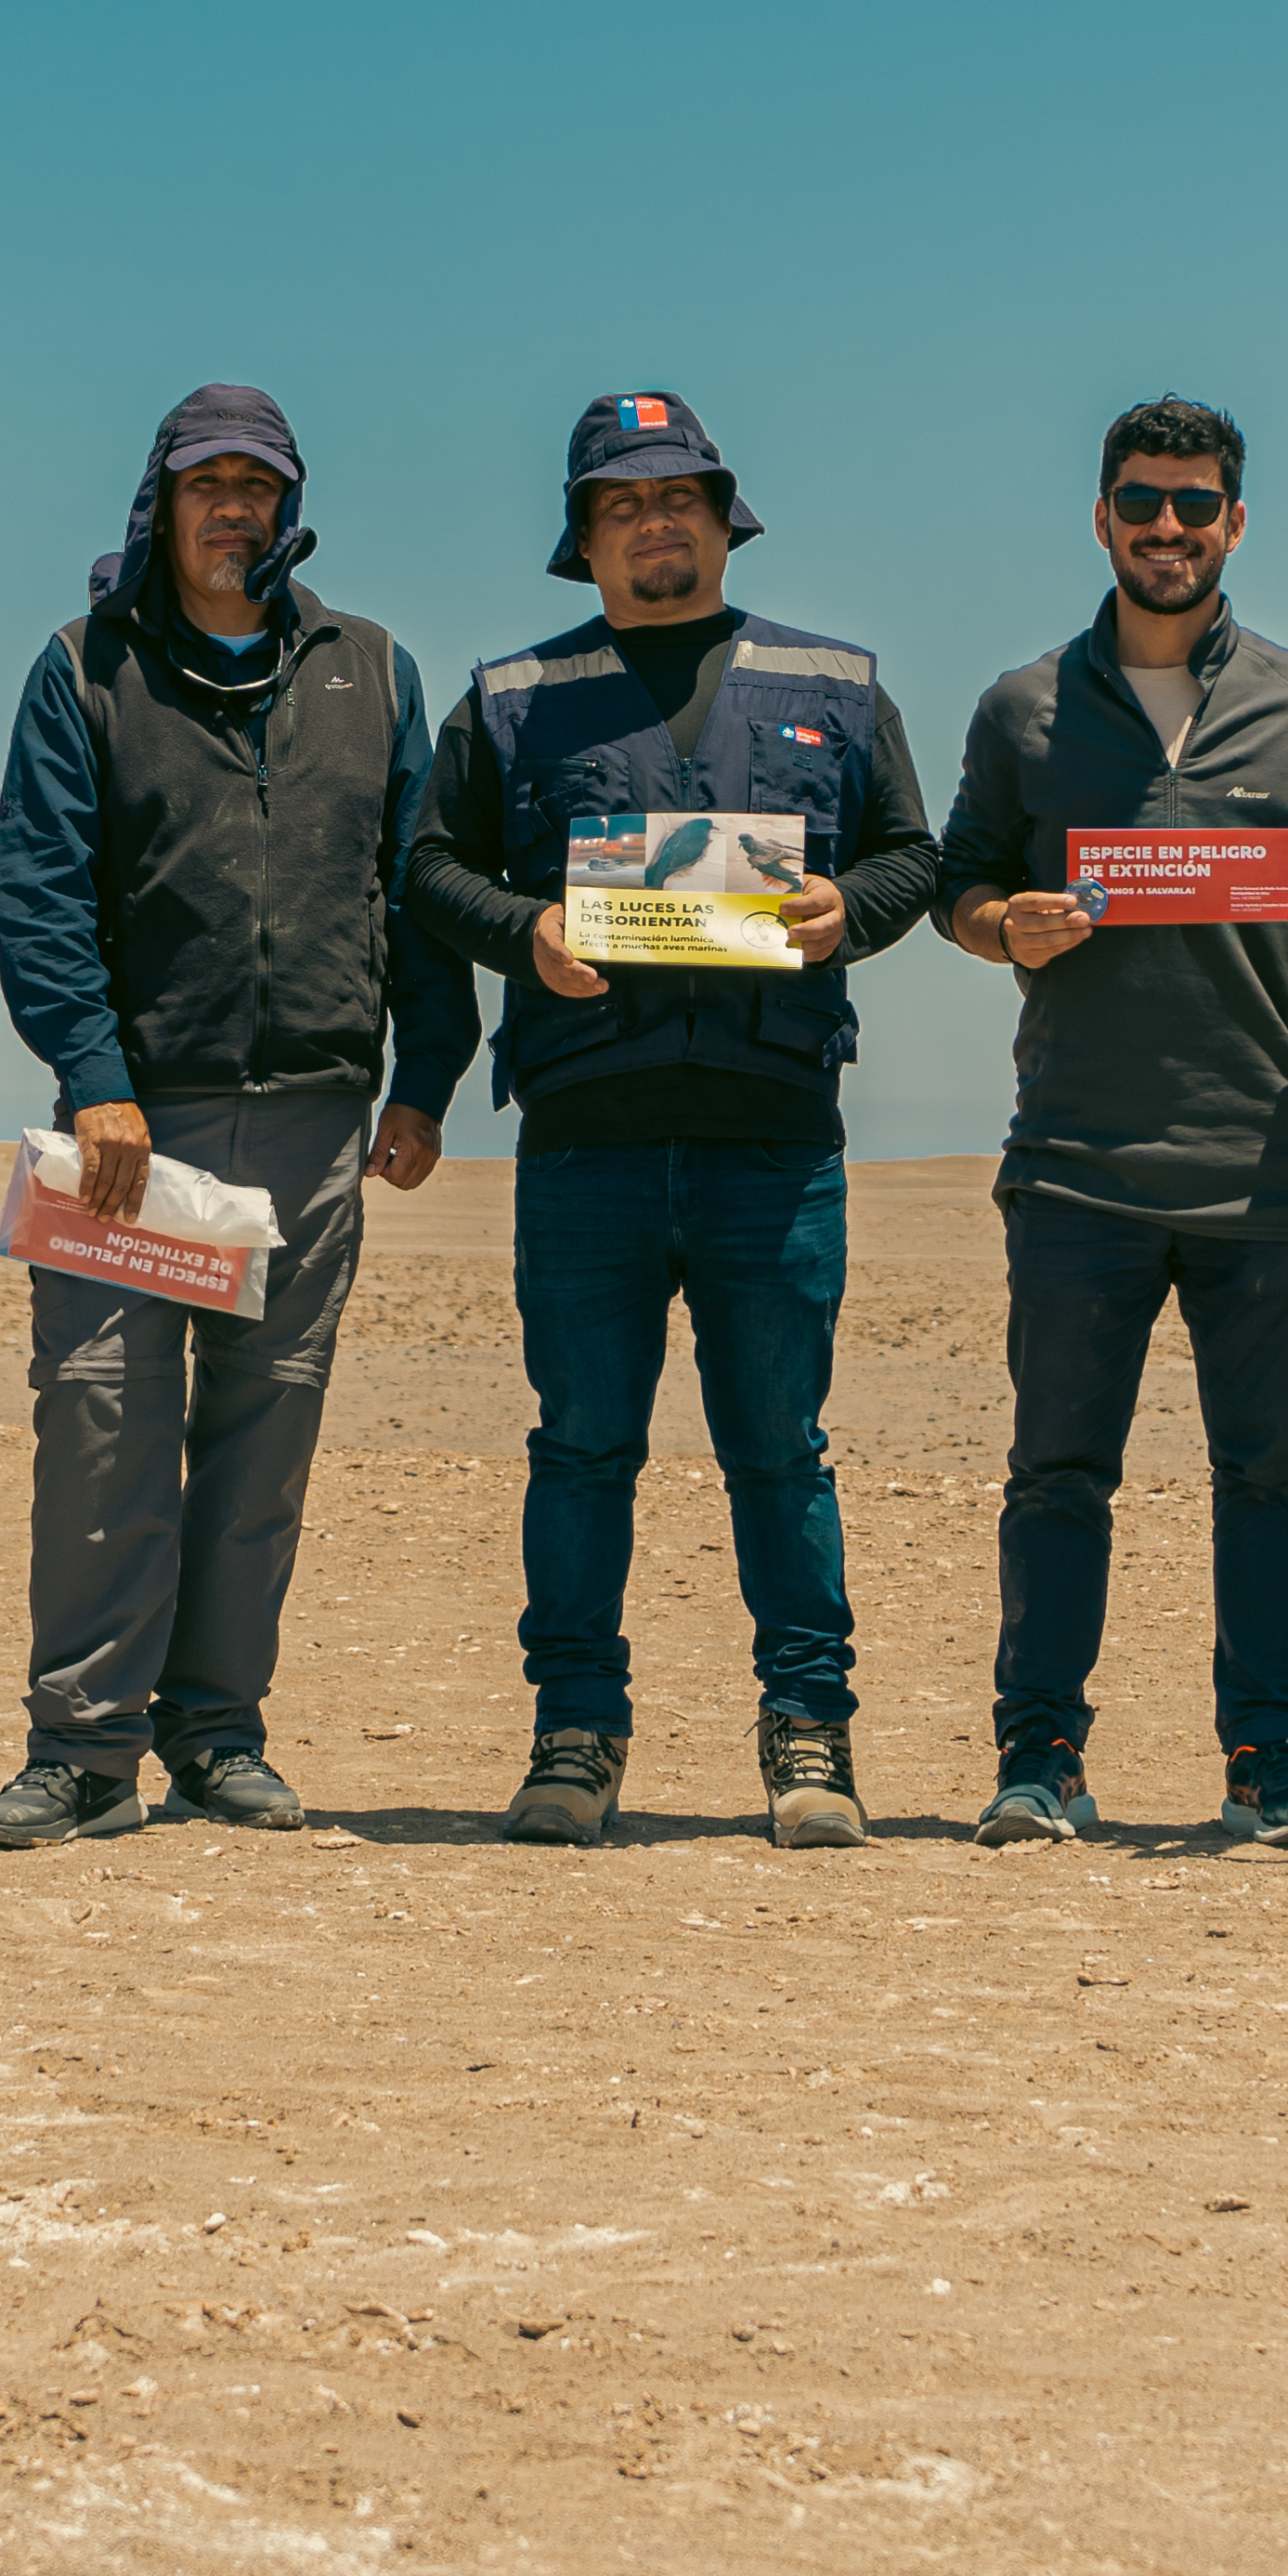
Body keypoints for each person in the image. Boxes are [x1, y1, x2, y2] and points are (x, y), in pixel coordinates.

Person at [402, 390, 940, 1850]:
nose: (657, 521)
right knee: (582, 1447)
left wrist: (851, 911)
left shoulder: (834, 681)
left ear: (723, 514)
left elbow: (911, 858)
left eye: (680, 497)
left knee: (782, 1448)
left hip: (776, 1141)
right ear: (583, 535)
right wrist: (526, 935)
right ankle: (574, 1732)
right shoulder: (515, 697)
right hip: (587, 1143)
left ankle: (809, 1737)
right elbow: (429, 869)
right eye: (624, 503)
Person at [0, 386, 476, 1846]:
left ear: (291, 506)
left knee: (263, 1446)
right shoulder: (86, 669)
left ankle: (214, 1733)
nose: (234, 509)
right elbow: (43, 891)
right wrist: (95, 1075)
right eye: (210, 484)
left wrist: (425, 1079)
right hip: (136, 1134)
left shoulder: (371, 671)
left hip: (315, 1124)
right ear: (162, 500)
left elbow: (417, 888)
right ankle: (81, 1747)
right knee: (102, 1428)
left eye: (262, 485)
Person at [934, 396, 1288, 1850]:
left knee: (1269, 1478)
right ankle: (1040, 1759)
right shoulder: (1024, 708)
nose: (1168, 528)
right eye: (1142, 501)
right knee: (1058, 1477)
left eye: (1196, 505)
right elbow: (955, 886)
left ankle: (1271, 1763)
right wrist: (1000, 925)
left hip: (1264, 1160)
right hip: (1077, 1164)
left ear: (1235, 523)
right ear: (1102, 518)